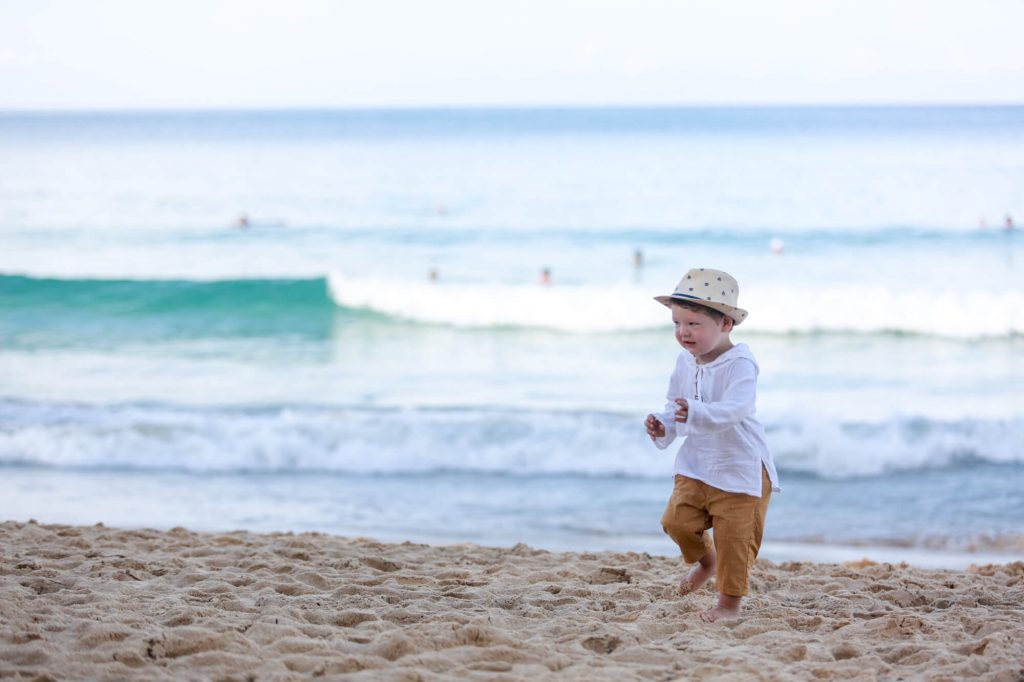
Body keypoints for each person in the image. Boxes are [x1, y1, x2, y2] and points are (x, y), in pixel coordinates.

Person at [644, 268, 780, 622]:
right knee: (677, 521)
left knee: (736, 541)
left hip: (740, 469)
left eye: (693, 324)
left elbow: (736, 409)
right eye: (677, 323)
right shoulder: (684, 362)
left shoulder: (741, 364)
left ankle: (728, 606)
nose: (683, 332)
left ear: (725, 324)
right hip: (698, 464)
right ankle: (708, 562)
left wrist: (696, 411)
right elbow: (675, 404)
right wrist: (663, 426)